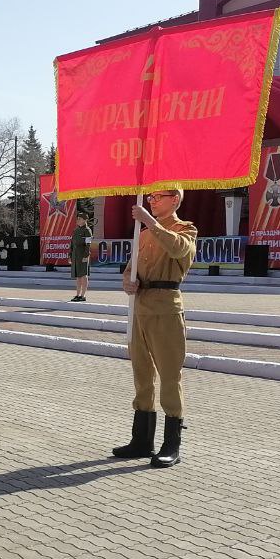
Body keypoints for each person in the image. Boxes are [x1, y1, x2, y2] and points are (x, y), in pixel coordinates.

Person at [112, 188, 197, 469]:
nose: (151, 200)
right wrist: (128, 282)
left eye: (158, 196)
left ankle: (171, 443)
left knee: (170, 376)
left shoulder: (185, 229)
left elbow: (179, 249)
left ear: (175, 199)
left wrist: (151, 221)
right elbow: (129, 269)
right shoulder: (144, 233)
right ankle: (141, 439)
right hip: (141, 307)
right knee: (142, 374)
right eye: (150, 197)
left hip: (166, 308)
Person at [69, 212, 93, 302]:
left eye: (79, 218)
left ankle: (83, 295)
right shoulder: (76, 230)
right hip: (76, 255)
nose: (77, 220)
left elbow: (88, 244)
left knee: (83, 275)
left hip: (83, 254)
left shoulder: (87, 230)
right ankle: (77, 294)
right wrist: (70, 255)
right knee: (78, 276)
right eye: (78, 218)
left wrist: (86, 255)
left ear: (84, 220)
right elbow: (72, 243)